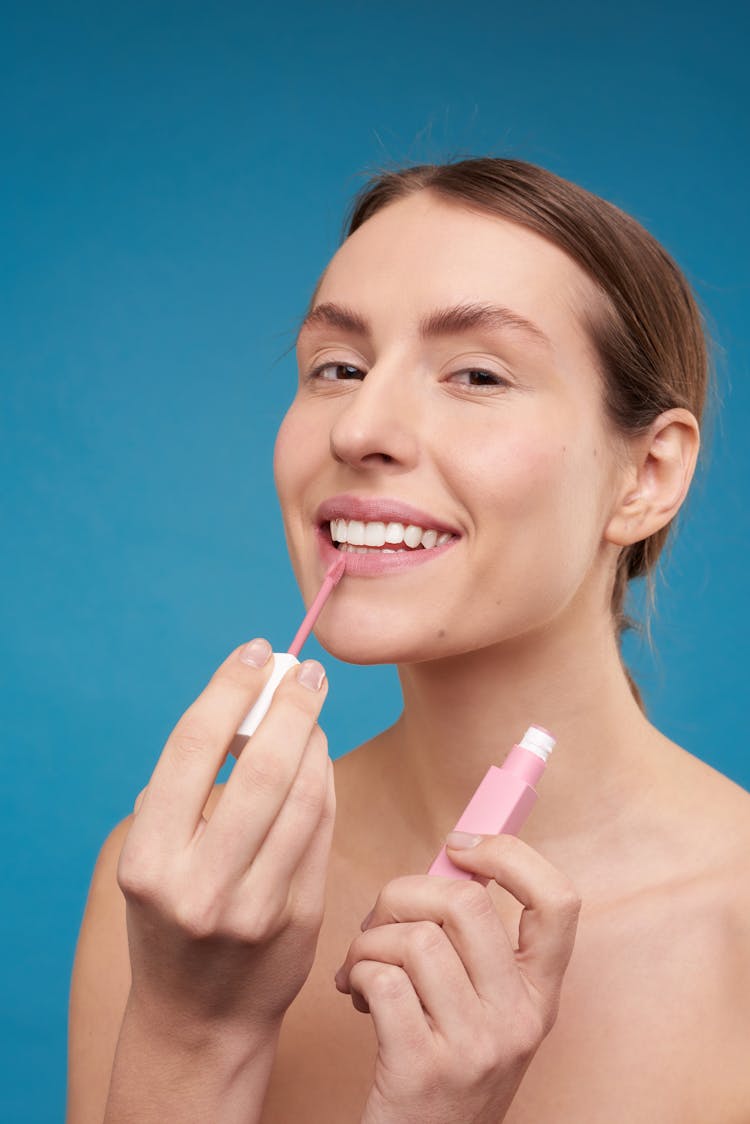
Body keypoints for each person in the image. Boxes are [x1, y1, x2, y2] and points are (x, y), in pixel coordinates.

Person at [67, 157, 750, 1123]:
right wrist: (189, 1035)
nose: (361, 427)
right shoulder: (175, 897)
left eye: (476, 373)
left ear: (646, 473)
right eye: (337, 368)